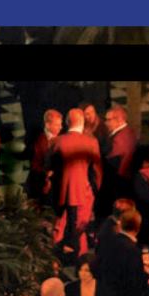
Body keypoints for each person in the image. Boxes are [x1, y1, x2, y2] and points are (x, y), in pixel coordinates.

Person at [51, 108, 102, 260]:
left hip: (61, 192)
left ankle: (54, 261)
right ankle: (80, 261)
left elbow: (48, 167)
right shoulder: (91, 142)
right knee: (80, 227)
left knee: (59, 227)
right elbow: (97, 171)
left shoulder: (56, 142)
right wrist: (95, 190)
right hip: (83, 191)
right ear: (82, 122)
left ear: (67, 122)